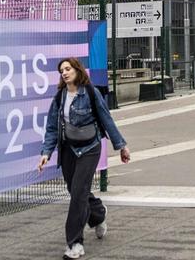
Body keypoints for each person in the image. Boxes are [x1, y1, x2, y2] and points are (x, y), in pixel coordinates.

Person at [38, 57, 131, 260]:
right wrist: (46, 153)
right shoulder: (60, 97)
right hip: (68, 149)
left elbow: (106, 118)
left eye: (68, 68)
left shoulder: (89, 92)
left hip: (90, 148)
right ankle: (98, 214)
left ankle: (75, 244)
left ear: (77, 70)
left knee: (78, 194)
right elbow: (52, 127)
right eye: (61, 70)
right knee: (75, 190)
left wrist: (121, 146)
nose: (64, 72)